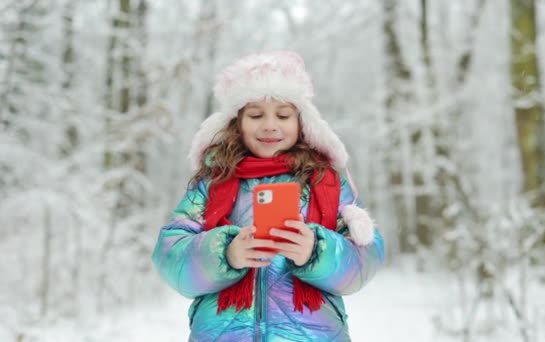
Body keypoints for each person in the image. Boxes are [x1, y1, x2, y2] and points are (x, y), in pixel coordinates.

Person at [152, 50, 384, 342]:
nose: (270, 125)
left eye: (283, 115)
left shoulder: (326, 181)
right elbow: (169, 254)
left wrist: (317, 251)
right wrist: (224, 253)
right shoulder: (214, 180)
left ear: (302, 122)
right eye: (256, 115)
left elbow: (368, 255)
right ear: (237, 122)